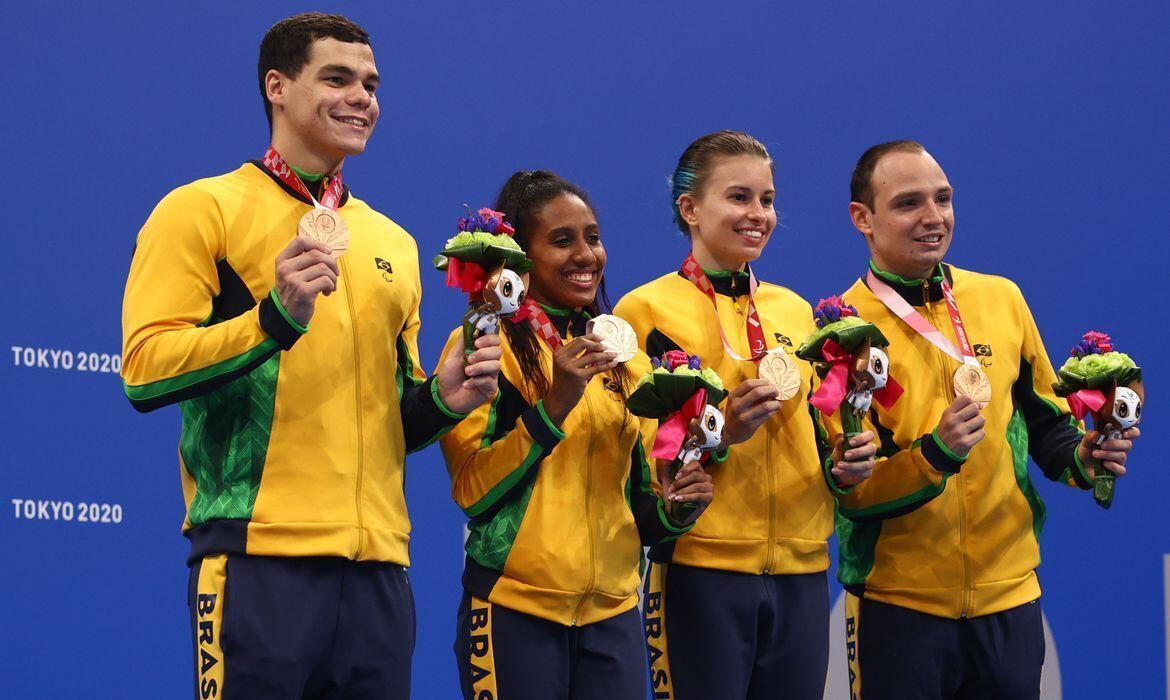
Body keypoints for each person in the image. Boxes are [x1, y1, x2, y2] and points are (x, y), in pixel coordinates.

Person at [120, 13, 502, 698]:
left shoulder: (393, 241)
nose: (363, 98)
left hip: (380, 571)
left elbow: (396, 422)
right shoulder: (201, 209)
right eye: (338, 78)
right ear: (277, 86)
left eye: (372, 84)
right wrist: (271, 321)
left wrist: (443, 397)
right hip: (257, 559)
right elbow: (145, 372)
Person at [830, 140, 1138, 699]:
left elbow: (1049, 425)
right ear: (863, 219)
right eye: (908, 203)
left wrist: (1083, 458)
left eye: (943, 198)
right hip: (899, 605)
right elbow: (850, 492)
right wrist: (935, 456)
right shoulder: (842, 333)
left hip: (1009, 599)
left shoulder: (1001, 299)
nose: (933, 217)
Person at [613, 130, 878, 699]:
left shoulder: (797, 311)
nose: (758, 214)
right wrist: (723, 433)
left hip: (801, 572)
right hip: (701, 569)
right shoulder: (647, 310)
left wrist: (844, 461)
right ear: (690, 208)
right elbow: (641, 457)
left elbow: (817, 429)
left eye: (768, 199)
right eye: (739, 197)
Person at [440, 170, 715, 700]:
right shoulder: (485, 343)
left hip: (611, 616)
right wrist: (555, 404)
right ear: (520, 255)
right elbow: (474, 489)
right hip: (514, 609)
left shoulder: (626, 358)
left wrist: (677, 510)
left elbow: (638, 504)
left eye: (592, 237)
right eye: (562, 240)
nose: (586, 254)